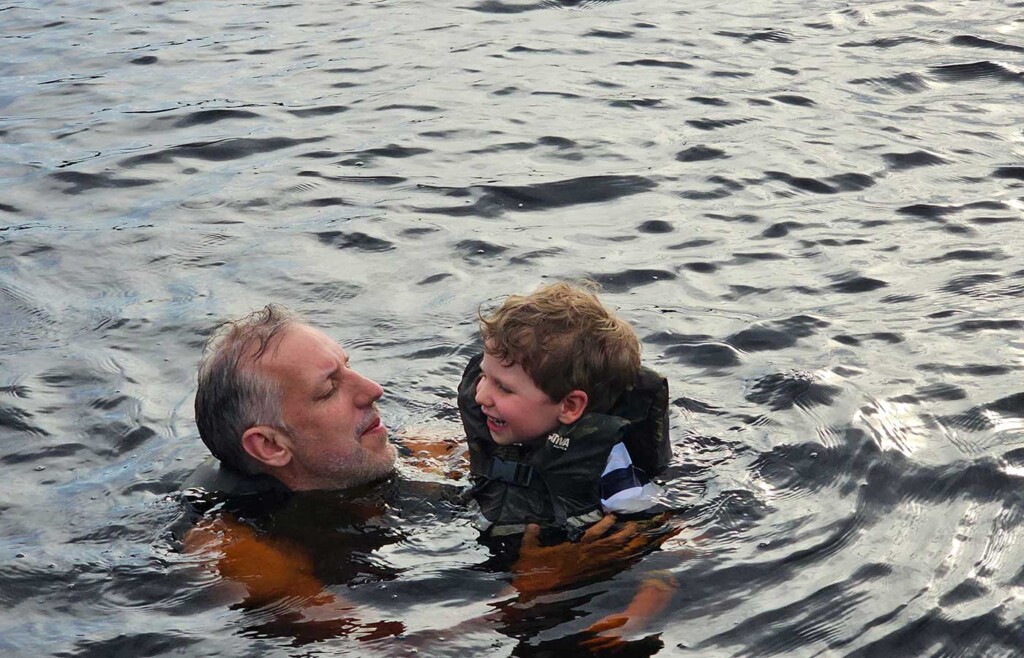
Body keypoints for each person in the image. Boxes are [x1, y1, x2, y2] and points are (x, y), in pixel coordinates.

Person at [182, 304, 671, 647]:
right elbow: (382, 648)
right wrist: (530, 592)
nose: (372, 388)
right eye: (329, 389)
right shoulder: (231, 545)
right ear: (270, 445)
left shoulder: (421, 448)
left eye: (350, 368)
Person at [458, 282, 673, 539]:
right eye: (484, 375)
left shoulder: (613, 475)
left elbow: (651, 532)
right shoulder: (516, 426)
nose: (480, 395)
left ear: (569, 406)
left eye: (504, 388)